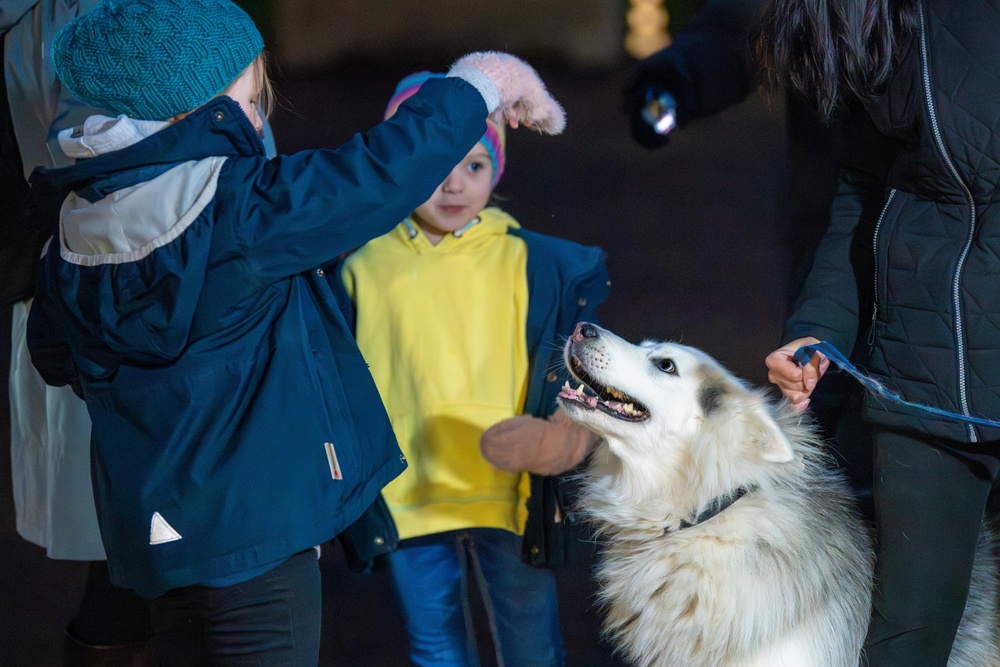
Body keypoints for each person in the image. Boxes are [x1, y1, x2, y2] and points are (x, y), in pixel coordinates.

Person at [23, 0, 566, 661]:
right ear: (188, 113)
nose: (259, 120)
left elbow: (54, 352)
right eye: (250, 102)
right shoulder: (238, 213)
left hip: (154, 536)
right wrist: (484, 79)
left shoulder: (75, 224)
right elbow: (374, 173)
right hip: (258, 540)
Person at [332, 70, 608, 667]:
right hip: (408, 490)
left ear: (496, 171)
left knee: (530, 645)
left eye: (475, 166)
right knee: (434, 647)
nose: (454, 185)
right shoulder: (361, 264)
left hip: (504, 490)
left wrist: (562, 431)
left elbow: (558, 365)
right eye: (434, 167)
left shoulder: (527, 261)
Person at [760, 0, 1000, 664]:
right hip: (920, 381)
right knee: (904, 642)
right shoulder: (861, 23)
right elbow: (864, 185)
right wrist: (818, 327)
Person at [619, 0, 874, 516]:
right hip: (834, 231)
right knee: (826, 430)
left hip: (960, 239)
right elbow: (750, 22)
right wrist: (676, 81)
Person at [2, 1, 155, 662]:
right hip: (132, 293)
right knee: (154, 538)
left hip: (75, 281)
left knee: (140, 546)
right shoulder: (96, 19)